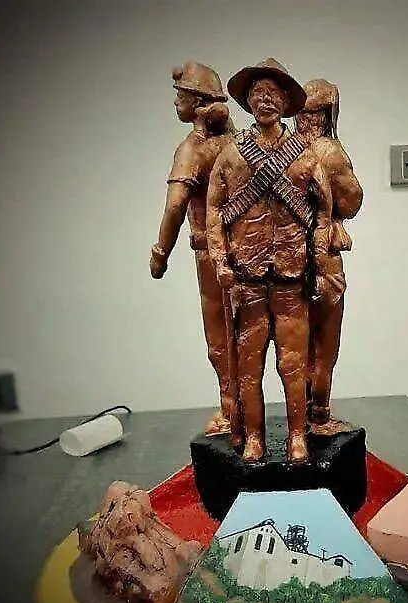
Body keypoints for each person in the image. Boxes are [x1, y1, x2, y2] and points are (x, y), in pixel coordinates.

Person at [205, 58, 317, 462]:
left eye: (273, 94)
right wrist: (220, 261)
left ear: (286, 102)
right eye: (258, 94)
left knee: (293, 363)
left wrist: (321, 261)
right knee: (249, 366)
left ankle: (297, 435)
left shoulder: (305, 154)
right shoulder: (231, 155)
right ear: (248, 101)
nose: (265, 100)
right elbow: (214, 211)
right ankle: (254, 437)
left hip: (292, 277)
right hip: (246, 277)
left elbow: (322, 213)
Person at [148, 62, 237, 436]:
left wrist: (160, 253)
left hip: (210, 255)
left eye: (180, 95)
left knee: (220, 338)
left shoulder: (192, 149)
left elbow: (175, 206)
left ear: (197, 102)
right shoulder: (236, 143)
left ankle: (232, 412)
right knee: (247, 337)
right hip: (246, 252)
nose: (175, 103)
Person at [294, 78, 363, 435]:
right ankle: (318, 415)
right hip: (323, 260)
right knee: (324, 344)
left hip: (287, 261)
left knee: (295, 345)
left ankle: (299, 420)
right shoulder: (330, 152)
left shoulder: (285, 151)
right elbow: (352, 202)